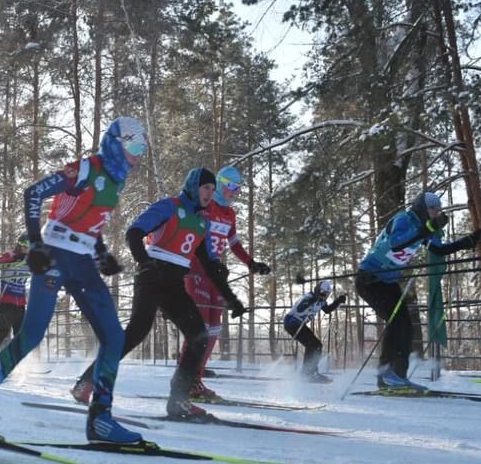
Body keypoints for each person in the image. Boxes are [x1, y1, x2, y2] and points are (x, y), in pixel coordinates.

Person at [0, 116, 149, 444]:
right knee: (30, 335)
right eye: (134, 146)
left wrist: (101, 252)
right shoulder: (88, 168)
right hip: (54, 254)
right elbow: (33, 193)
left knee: (115, 337)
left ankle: (100, 420)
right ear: (117, 143)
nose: (138, 155)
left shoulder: (117, 180)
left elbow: (90, 221)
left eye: (142, 149)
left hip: (83, 260)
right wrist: (34, 244)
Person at [69, 167, 244, 420]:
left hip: (174, 283)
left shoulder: (202, 221)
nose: (210, 193)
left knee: (199, 336)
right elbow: (134, 233)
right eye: (206, 187)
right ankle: (86, 383)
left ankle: (178, 401)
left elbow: (209, 265)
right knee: (134, 334)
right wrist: (145, 263)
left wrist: (231, 298)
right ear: (194, 186)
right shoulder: (169, 207)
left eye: (213, 189)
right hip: (152, 277)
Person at [356, 191, 481, 390]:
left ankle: (398, 375)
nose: (436, 213)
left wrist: (469, 240)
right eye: (433, 209)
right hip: (369, 279)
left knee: (407, 326)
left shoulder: (424, 229)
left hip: (389, 282)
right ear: (421, 208)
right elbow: (395, 243)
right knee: (397, 321)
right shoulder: (404, 220)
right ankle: (386, 374)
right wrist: (425, 230)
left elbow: (439, 250)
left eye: (438, 210)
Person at [182, 165, 271, 397]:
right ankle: (186, 379)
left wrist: (251, 263)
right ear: (220, 184)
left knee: (214, 328)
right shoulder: (205, 206)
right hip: (195, 271)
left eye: (238, 188)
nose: (235, 192)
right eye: (231, 186)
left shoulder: (230, 215)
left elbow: (234, 244)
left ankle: (196, 378)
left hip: (216, 274)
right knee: (198, 329)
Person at [283, 279, 347, 382]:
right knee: (314, 345)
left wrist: (338, 301)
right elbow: (300, 308)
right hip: (292, 323)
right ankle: (308, 373)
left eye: (327, 294)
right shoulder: (309, 297)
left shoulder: (321, 301)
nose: (326, 296)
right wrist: (311, 301)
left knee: (315, 345)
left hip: (299, 324)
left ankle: (310, 372)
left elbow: (327, 310)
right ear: (319, 291)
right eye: (324, 293)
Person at [0, 236, 29, 358]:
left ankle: (16, 359)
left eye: (29, 247)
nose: (27, 249)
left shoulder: (30, 259)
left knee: (19, 333)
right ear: (19, 245)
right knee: (4, 331)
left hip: (20, 302)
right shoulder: (10, 254)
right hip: (6, 300)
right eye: (25, 246)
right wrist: (14, 260)